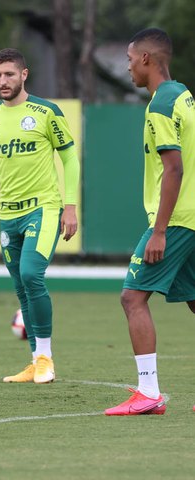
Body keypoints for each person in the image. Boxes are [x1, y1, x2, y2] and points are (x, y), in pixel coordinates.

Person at [0, 48, 80, 385]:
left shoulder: (46, 112)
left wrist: (70, 206)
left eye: (9, 74)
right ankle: (34, 361)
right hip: (8, 214)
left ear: (24, 74)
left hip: (44, 208)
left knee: (31, 274)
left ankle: (46, 359)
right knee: (21, 287)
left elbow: (69, 159)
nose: (2, 81)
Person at [105, 28, 195, 415]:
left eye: (129, 59)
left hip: (174, 220)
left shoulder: (160, 105)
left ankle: (148, 393)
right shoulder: (185, 95)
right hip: (191, 218)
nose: (127, 67)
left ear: (145, 59)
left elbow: (173, 170)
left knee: (132, 298)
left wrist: (159, 231)